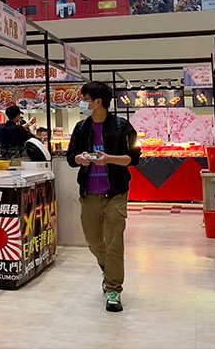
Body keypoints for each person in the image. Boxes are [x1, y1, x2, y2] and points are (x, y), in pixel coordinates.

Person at [66, 81, 140, 313]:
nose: (82, 103)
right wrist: (80, 159)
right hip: (89, 194)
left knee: (115, 243)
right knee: (94, 241)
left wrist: (109, 158)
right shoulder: (81, 128)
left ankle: (114, 290)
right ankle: (109, 271)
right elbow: (70, 157)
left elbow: (134, 158)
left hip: (115, 194)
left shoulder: (121, 126)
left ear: (98, 102)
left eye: (85, 99)